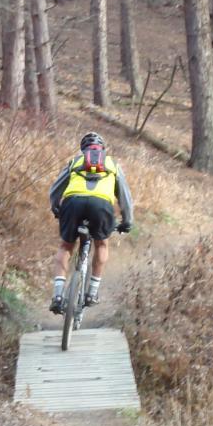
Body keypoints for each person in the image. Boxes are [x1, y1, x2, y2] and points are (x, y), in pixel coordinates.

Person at [48, 132, 133, 313]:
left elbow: (55, 190)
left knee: (66, 246)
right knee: (102, 244)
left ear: (83, 149)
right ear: (103, 149)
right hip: (101, 205)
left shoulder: (75, 162)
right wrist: (127, 221)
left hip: (73, 203)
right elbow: (125, 197)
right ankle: (92, 292)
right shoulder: (113, 164)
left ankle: (57, 295)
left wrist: (56, 207)